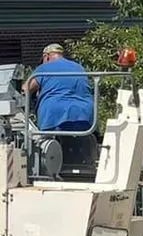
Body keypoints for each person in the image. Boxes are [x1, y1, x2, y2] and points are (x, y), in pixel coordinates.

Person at [23, 42, 96, 177]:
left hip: (54, 114)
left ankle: (45, 172)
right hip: (85, 114)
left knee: (41, 144)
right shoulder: (78, 67)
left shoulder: (44, 68)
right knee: (79, 138)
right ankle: (83, 169)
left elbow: (26, 89)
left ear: (47, 56)